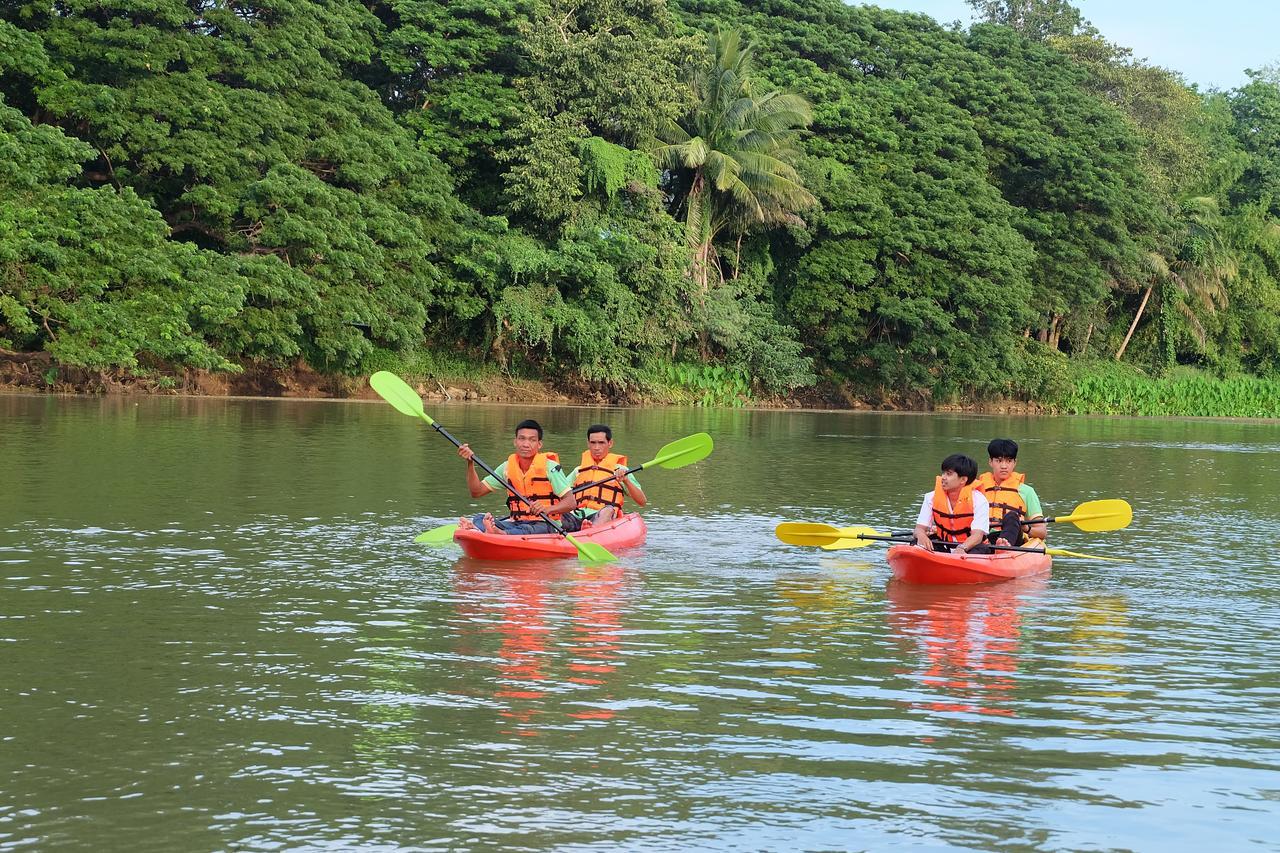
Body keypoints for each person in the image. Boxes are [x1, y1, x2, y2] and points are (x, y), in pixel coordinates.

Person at [456, 419, 580, 535]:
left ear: (539, 444)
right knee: (479, 518)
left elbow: (571, 503)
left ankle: (499, 533)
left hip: (546, 523)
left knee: (527, 529)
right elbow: (476, 492)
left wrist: (547, 509)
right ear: (515, 441)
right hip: (516, 522)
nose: (526, 444)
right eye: (522, 439)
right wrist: (470, 463)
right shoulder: (507, 468)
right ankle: (484, 528)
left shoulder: (551, 468)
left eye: (532, 440)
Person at [974, 438, 1047, 548]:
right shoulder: (977, 489)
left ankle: (1003, 545)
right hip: (981, 537)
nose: (1004, 466)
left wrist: (1026, 528)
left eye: (1008, 461)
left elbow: (1042, 532)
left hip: (1012, 541)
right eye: (999, 461)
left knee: (1012, 516)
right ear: (990, 462)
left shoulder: (1027, 492)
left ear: (1014, 463)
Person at [568, 424, 647, 526]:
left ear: (610, 443)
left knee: (608, 510)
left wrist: (626, 481)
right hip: (576, 515)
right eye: (593, 443)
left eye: (601, 443)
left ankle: (591, 529)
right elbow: (561, 495)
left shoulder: (621, 470)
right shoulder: (578, 471)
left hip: (603, 515)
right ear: (588, 443)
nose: (596, 447)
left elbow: (642, 501)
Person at [913, 454, 991, 555]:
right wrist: (921, 536)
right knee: (916, 542)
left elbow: (978, 535)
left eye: (949, 474)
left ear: (963, 480)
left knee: (981, 549)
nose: (943, 478)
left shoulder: (979, 500)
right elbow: (919, 529)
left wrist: (962, 548)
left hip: (970, 548)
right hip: (944, 545)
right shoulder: (930, 497)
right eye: (943, 473)